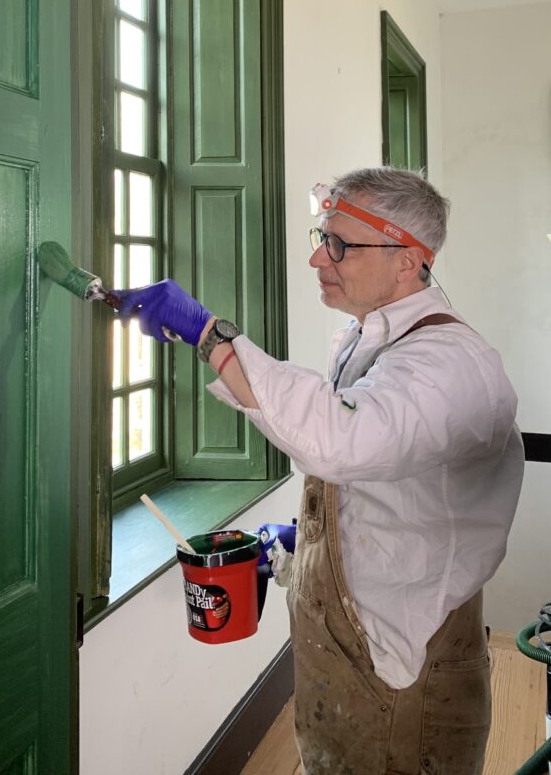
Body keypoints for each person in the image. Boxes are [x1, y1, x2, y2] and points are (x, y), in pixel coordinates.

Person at [114, 166, 524, 775]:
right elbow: (384, 487)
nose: (317, 259)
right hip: (353, 663)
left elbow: (339, 439)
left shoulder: (450, 363)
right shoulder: (371, 342)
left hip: (403, 680)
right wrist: (302, 550)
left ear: (408, 260)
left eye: (338, 244)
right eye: (320, 236)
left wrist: (212, 335)